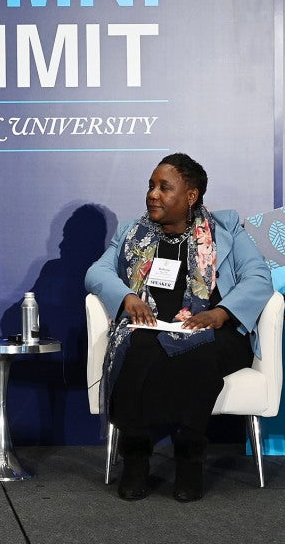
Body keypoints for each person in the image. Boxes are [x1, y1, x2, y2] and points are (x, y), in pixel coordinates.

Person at [86, 153, 273, 502]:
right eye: (151, 186)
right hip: (150, 328)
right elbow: (97, 272)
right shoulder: (132, 231)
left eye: (164, 187)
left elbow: (259, 278)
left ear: (191, 195)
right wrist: (126, 296)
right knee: (136, 348)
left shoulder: (225, 228)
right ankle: (136, 455)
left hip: (214, 330)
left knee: (199, 355)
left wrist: (222, 313)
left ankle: (189, 458)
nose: (153, 194)